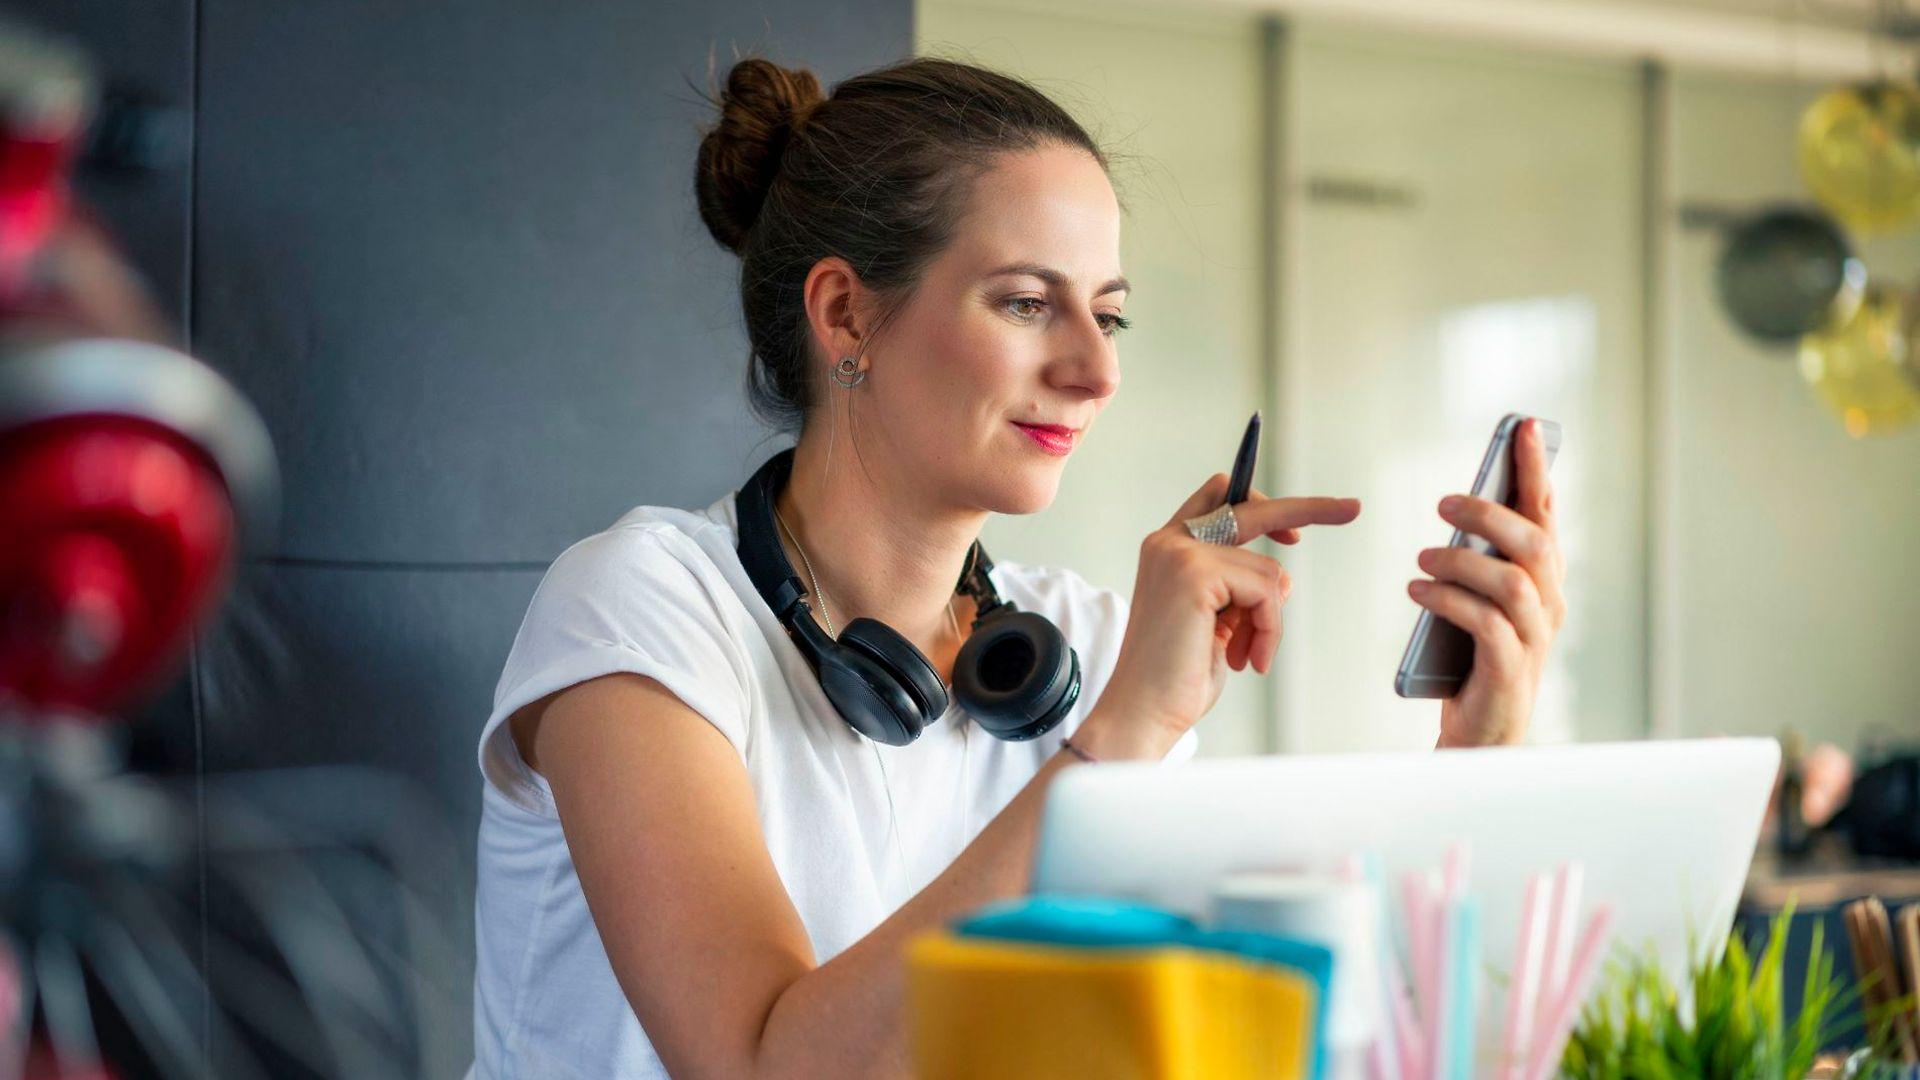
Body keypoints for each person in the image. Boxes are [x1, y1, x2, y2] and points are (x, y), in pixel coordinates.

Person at [469, 55, 1566, 1079]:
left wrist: (1474, 768)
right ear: (846, 314)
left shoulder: (1078, 645)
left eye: (1112, 314)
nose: (1096, 371)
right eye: (1029, 303)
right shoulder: (645, 605)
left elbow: (1224, 1041)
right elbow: (760, 1059)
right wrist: (1116, 741)